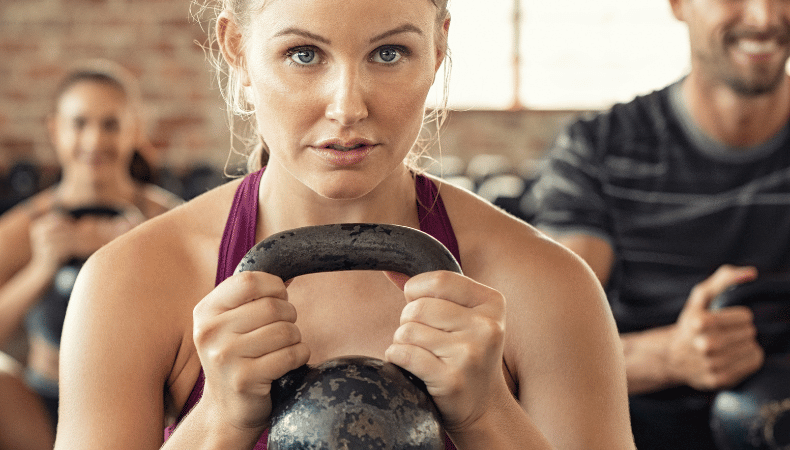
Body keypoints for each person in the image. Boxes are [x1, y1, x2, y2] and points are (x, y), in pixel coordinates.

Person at [54, 0, 637, 448]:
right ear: (238, 51)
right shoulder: (129, 282)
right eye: (304, 54)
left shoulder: (549, 285)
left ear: (437, 50)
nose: (348, 106)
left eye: (389, 53)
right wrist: (218, 422)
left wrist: (488, 417)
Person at [521, 0, 790, 447]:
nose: (763, 17)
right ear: (678, 5)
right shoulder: (598, 150)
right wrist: (669, 356)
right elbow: (540, 352)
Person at [0, 60, 182, 450]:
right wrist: (41, 268)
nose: (94, 141)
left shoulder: (171, 223)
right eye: (79, 124)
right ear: (55, 130)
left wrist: (135, 257)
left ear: (134, 129)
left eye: (110, 125)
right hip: (43, 407)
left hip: (142, 408)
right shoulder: (16, 233)